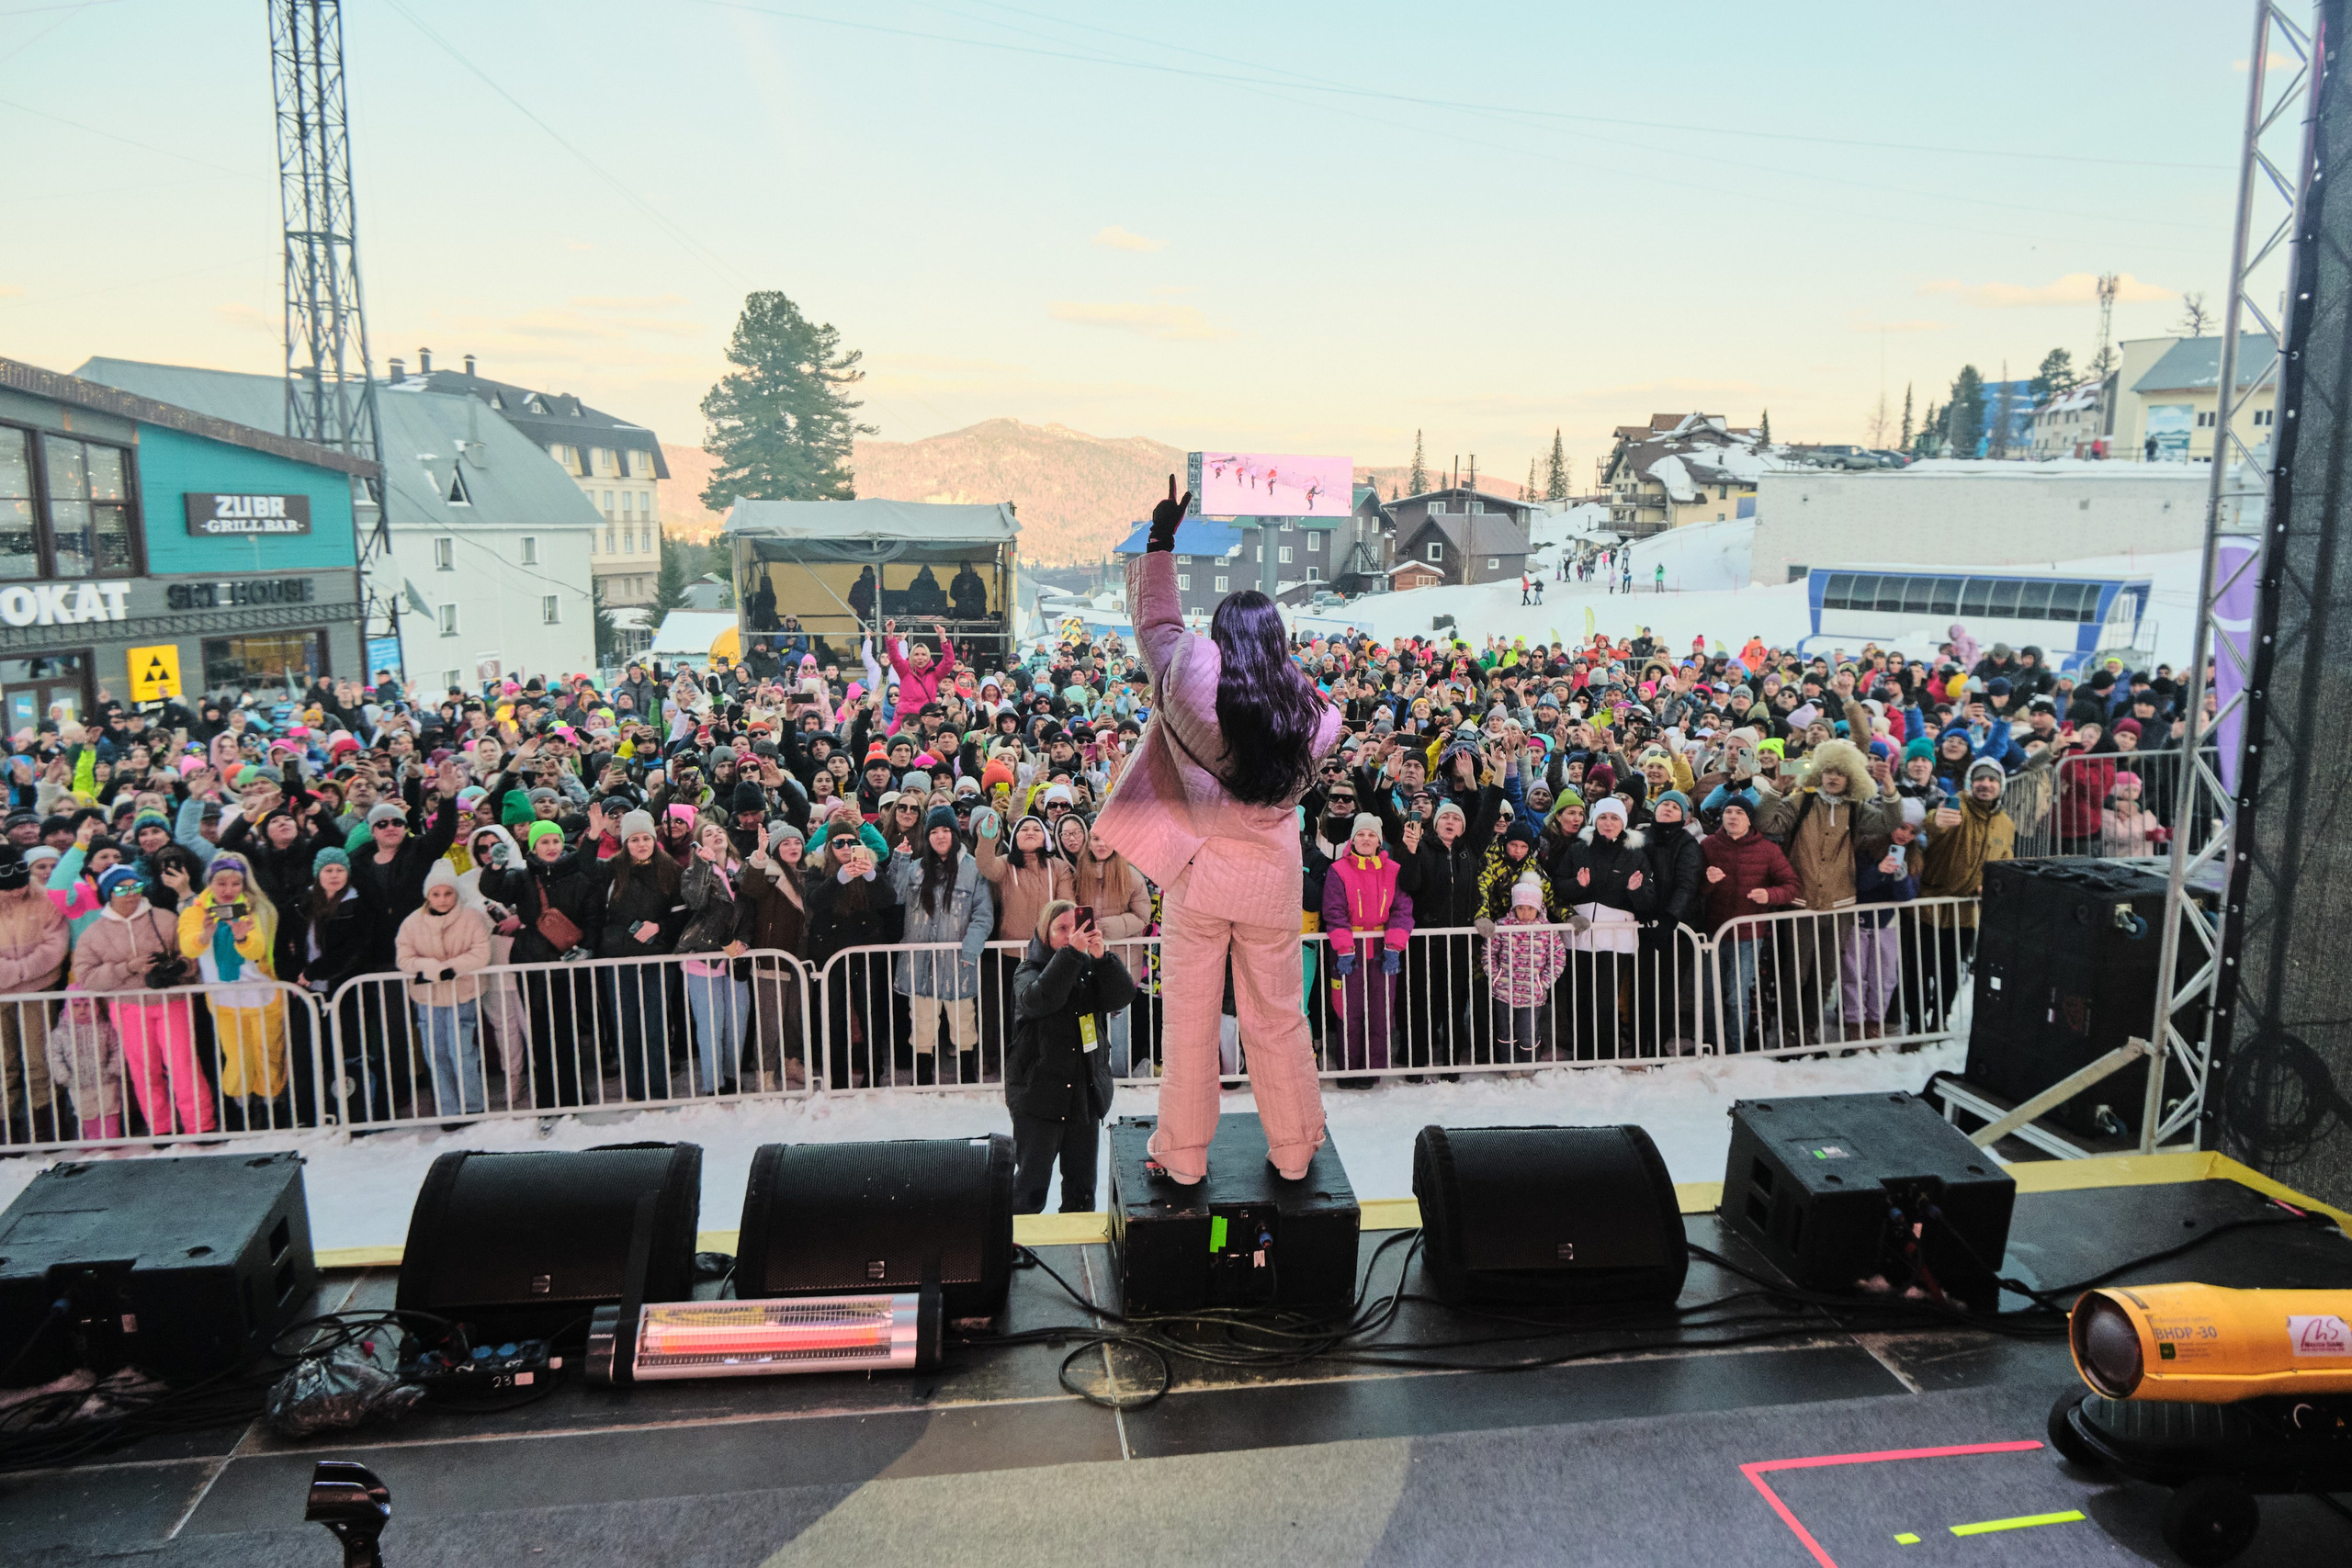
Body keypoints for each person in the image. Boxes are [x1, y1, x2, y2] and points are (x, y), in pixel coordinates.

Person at [1096, 477, 1340, 1184]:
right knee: (1278, 1019)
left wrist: (1162, 541)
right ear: (1279, 643)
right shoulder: (1312, 719)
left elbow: (1160, 626)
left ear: (1223, 638)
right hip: (1269, 886)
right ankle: (1294, 1148)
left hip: (1198, 878)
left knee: (1192, 1024)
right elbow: (1305, 697)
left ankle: (1183, 1153)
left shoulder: (1186, 680)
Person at [1005, 898, 1137, 1213]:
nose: (1069, 934)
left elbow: (1122, 995)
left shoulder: (1089, 967)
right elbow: (1038, 1000)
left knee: (1082, 1192)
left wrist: (1103, 959)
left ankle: (1079, 1257)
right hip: (1038, 1097)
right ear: (1045, 934)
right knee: (1030, 1189)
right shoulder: (1028, 969)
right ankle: (1013, 1249)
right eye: (1061, 929)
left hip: (1084, 1096)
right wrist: (1070, 956)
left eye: (1073, 927)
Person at [73, 864, 209, 1135]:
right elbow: (86, 977)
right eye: (122, 889)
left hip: (172, 1001)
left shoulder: (165, 918)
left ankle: (201, 1126)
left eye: (135, 886)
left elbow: (191, 955)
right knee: (145, 1070)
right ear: (109, 893)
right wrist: (128, 968)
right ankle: (160, 1128)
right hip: (128, 1006)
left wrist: (177, 968)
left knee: (183, 1065)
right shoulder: (94, 932)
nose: (131, 894)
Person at [176, 853, 286, 1122]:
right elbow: (188, 946)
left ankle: (272, 1105)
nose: (228, 890)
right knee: (238, 1058)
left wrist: (241, 936)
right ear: (210, 882)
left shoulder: (256, 909)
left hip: (262, 994)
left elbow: (258, 949)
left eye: (235, 884)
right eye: (221, 883)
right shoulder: (195, 911)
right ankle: (243, 1109)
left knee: (269, 1054)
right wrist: (205, 934)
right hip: (225, 1000)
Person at [888, 806, 992, 1084]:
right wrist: (900, 859)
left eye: (946, 830)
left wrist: (971, 948)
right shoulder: (915, 869)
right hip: (920, 960)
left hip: (958, 960)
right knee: (921, 1020)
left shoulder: (973, 870)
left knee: (963, 1019)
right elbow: (894, 897)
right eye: (934, 831)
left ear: (955, 834)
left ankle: (967, 1075)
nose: (940, 836)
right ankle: (922, 1076)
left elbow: (983, 915)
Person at [594, 809, 684, 1100]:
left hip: (657, 957)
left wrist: (659, 927)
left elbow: (682, 915)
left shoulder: (670, 869)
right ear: (625, 842)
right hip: (620, 959)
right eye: (634, 839)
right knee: (626, 1024)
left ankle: (658, 1088)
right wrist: (592, 837)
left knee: (655, 1024)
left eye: (646, 838)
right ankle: (633, 1088)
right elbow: (584, 871)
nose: (641, 844)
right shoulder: (610, 869)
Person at [1700, 795, 1800, 1050]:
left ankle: (1735, 1048)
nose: (1733, 816)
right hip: (1712, 930)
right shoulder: (1708, 845)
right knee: (1710, 995)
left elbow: (1791, 886)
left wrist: (1770, 895)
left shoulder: (1767, 849)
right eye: (1729, 811)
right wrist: (1707, 882)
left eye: (1740, 813)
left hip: (1747, 934)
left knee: (1736, 996)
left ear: (1750, 820)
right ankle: (1710, 1044)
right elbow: (1694, 890)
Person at [395, 861, 492, 1117]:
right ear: (428, 894)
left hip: (463, 994)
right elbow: (404, 958)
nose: (442, 899)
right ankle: (448, 1108)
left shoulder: (471, 918)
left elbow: (481, 952)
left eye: (448, 893)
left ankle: (472, 1106)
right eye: (436, 894)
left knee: (462, 1052)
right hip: (428, 998)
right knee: (435, 1053)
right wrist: (430, 968)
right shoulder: (412, 922)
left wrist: (451, 968)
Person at [1320, 812, 1412, 1077]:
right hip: (1349, 950)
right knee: (1348, 1010)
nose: (1366, 838)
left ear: (1379, 841)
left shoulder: (1393, 870)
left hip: (1382, 950)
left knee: (1380, 1010)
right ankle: (1349, 1069)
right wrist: (1344, 949)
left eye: (1371, 834)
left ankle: (1373, 1069)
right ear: (1353, 839)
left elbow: (1402, 909)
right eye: (1361, 834)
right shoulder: (1338, 870)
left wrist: (1394, 946)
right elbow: (1334, 912)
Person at [677, 820, 754, 1096]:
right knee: (711, 1023)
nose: (716, 835)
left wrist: (743, 940)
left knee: (737, 1022)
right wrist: (702, 866)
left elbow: (752, 907)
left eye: (719, 831)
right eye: (708, 834)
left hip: (737, 956)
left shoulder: (742, 870)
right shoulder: (691, 873)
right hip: (704, 957)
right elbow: (696, 901)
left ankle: (732, 1076)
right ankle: (714, 1084)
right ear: (699, 844)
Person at [0, 844, 70, 1141]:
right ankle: (7, 1125)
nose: (18, 892)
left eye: (21, 885)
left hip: (39, 989)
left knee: (38, 1058)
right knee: (5, 1061)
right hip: (2, 994)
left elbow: (55, 945)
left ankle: (46, 1124)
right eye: (9, 889)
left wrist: (21, 972)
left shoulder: (44, 898)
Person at [1485, 873, 1569, 1061]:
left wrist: (1544, 982)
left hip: (1532, 993)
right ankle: (1508, 1063)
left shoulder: (1547, 930)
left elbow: (1558, 958)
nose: (1525, 913)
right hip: (1504, 992)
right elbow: (1489, 952)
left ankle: (1529, 1062)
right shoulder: (1502, 927)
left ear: (1538, 908)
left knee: (1527, 1032)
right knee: (1505, 1032)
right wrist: (1496, 976)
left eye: (1530, 908)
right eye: (1520, 908)